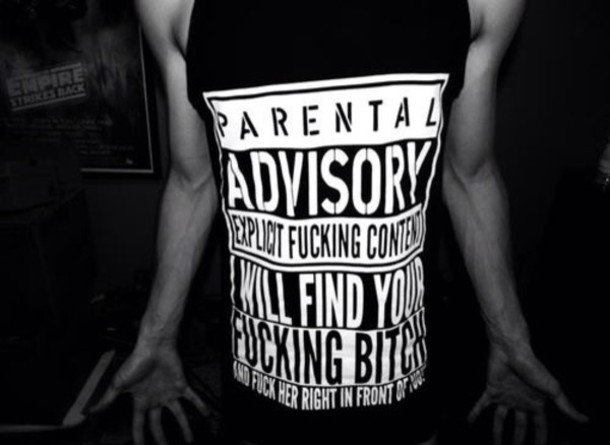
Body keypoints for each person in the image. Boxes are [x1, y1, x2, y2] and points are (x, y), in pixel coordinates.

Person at [91, 0, 588, 444]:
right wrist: (156, 335)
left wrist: (510, 337)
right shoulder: (172, 4)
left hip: (403, 385)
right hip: (262, 387)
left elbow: (470, 175)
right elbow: (192, 181)